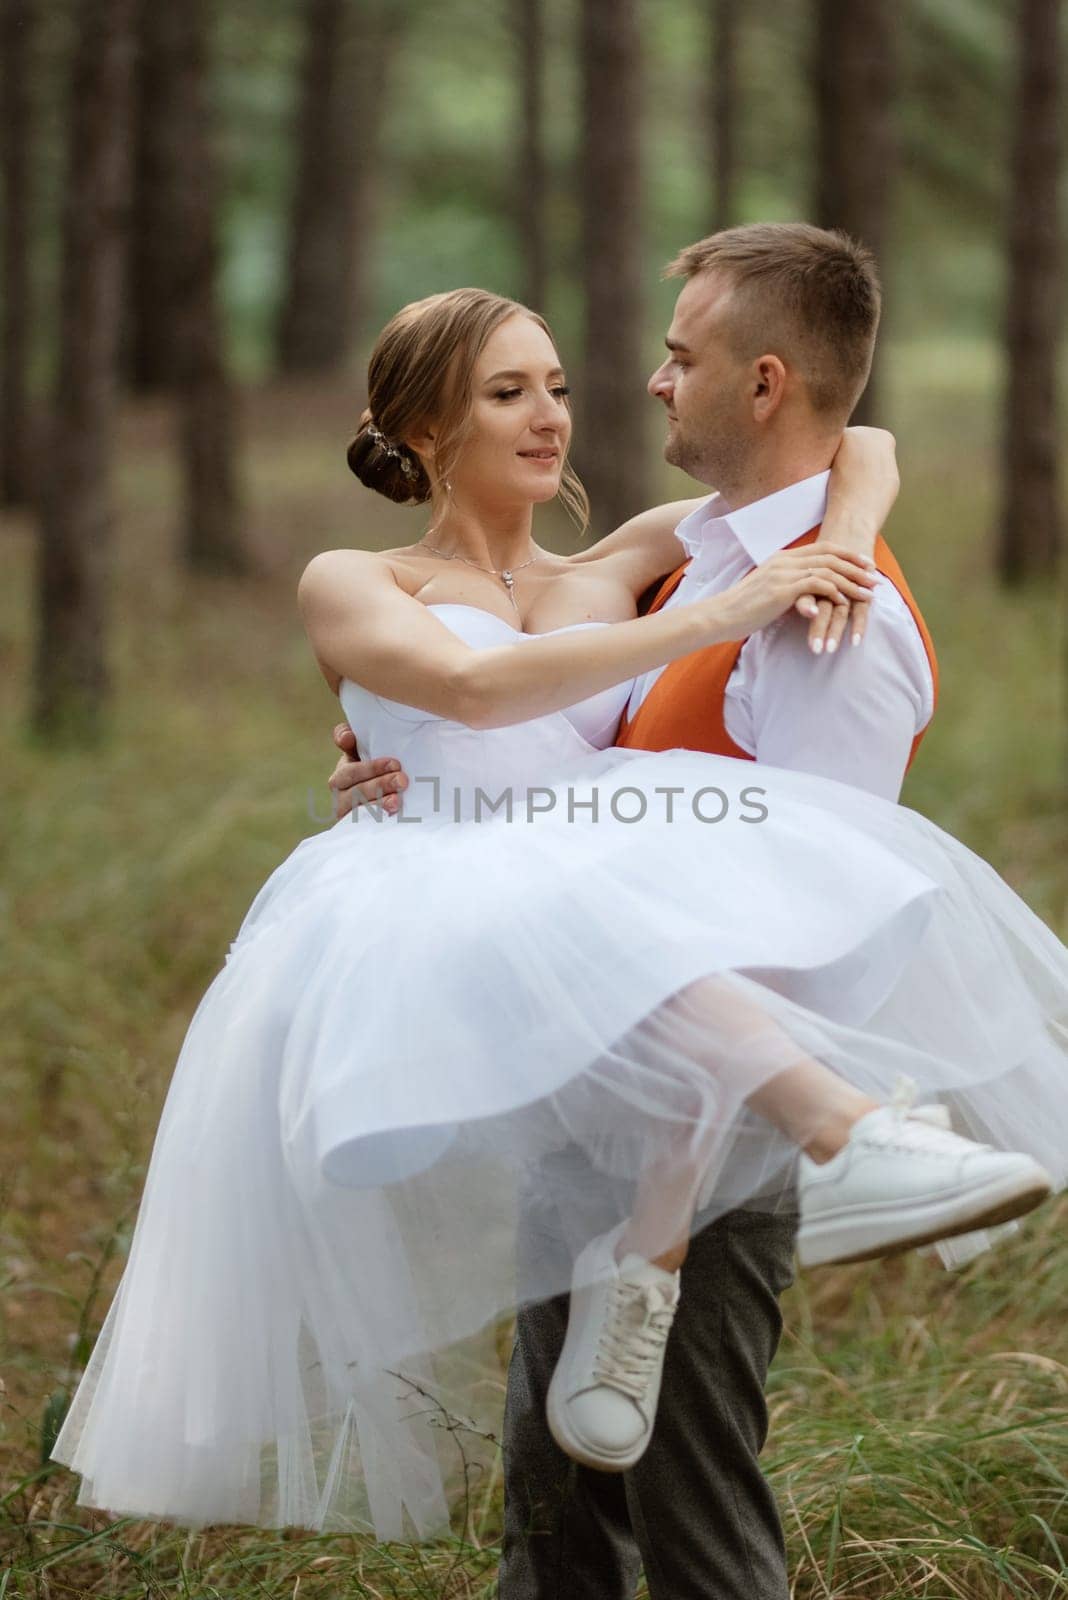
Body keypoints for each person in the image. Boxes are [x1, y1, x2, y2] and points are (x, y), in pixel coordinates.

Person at [49, 257, 1067, 1567]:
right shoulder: (352, 579)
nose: (552, 416)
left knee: (621, 1478)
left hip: (608, 967)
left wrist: (839, 547)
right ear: (426, 429)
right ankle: (842, 1133)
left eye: (559, 387)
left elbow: (851, 440)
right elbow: (477, 700)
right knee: (561, 1484)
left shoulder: (620, 564)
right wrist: (727, 609)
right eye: (505, 393)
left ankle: (698, 1234)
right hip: (457, 917)